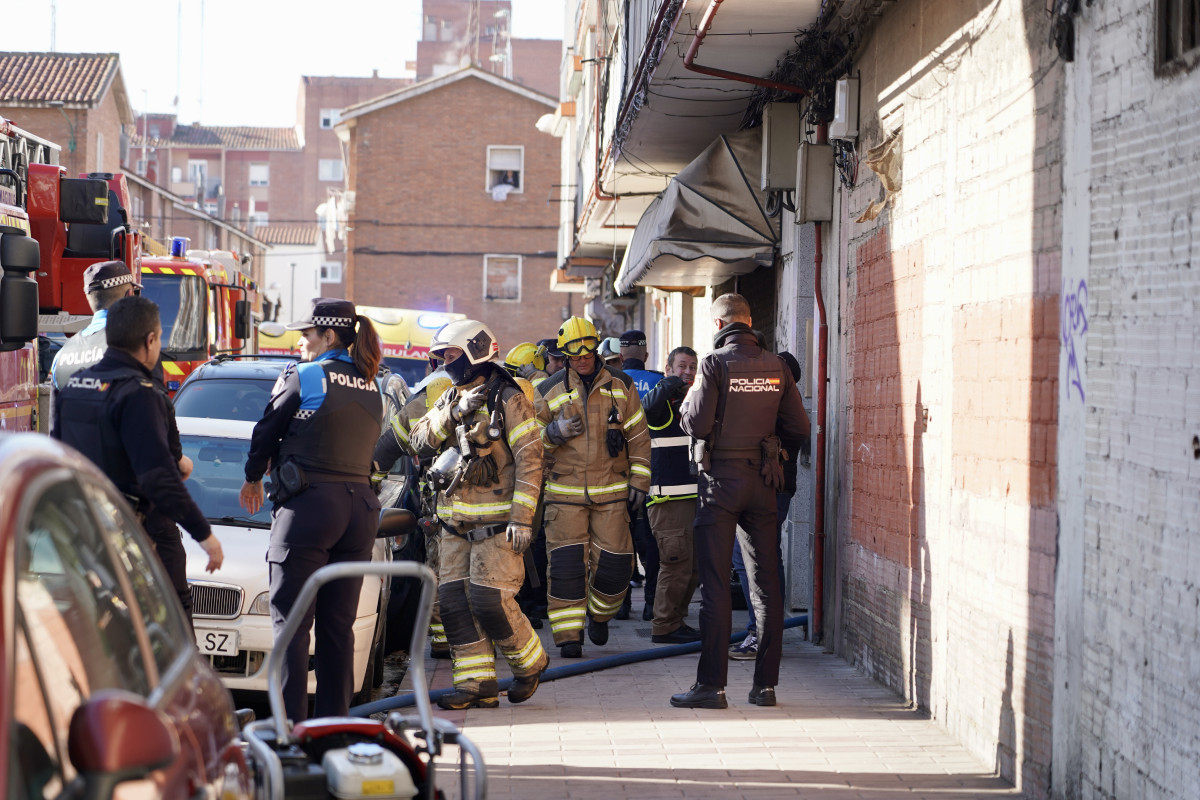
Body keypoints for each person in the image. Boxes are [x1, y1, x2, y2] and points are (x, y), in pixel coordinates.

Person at [238, 298, 384, 722]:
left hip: (310, 511)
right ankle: (336, 730)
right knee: (338, 629)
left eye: (307, 334)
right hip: (359, 513)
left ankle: (292, 735)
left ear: (329, 336)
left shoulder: (307, 375)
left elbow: (267, 429)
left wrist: (251, 478)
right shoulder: (371, 382)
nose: (301, 342)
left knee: (293, 627)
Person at [670, 294, 809, 709]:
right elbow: (798, 426)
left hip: (721, 483)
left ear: (718, 325)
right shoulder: (779, 365)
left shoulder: (714, 364)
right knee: (765, 584)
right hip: (763, 482)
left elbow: (694, 421)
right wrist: (774, 455)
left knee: (715, 585)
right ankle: (765, 687)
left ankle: (711, 687)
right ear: (749, 322)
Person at [51, 261, 202, 623]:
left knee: (98, 617)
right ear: (130, 294)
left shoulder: (64, 355)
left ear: (89, 299)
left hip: (86, 511)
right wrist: (178, 461)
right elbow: (162, 426)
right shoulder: (135, 343)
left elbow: (58, 438)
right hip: (141, 509)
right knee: (171, 611)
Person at [409, 320, 549, 709]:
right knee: (453, 604)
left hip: (498, 525)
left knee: (490, 601)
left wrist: (522, 518)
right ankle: (477, 684)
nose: (444, 363)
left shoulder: (510, 397)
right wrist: (452, 413)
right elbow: (418, 439)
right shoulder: (452, 396)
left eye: (451, 355)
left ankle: (530, 664)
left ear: (475, 352)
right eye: (441, 357)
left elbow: (531, 460)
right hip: (453, 523)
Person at [534, 316, 651, 658]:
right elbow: (527, 445)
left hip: (612, 494)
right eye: (575, 351)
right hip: (564, 497)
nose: (583, 356)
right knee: (567, 569)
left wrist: (640, 482)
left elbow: (640, 439)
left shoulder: (621, 385)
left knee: (617, 567)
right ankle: (569, 637)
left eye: (587, 348)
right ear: (566, 353)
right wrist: (552, 434)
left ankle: (599, 615)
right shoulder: (548, 390)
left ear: (596, 346)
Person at [373, 365, 454, 659]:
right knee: (448, 575)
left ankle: (447, 640)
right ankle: (448, 641)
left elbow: (386, 449)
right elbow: (386, 449)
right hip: (449, 511)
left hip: (452, 511)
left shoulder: (421, 405)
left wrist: (371, 486)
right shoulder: (428, 408)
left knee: (442, 573)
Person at [731, 351, 804, 660]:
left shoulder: (778, 406)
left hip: (768, 490)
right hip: (772, 489)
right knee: (766, 559)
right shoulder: (786, 405)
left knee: (752, 561)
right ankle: (766, 632)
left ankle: (759, 634)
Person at [642, 346, 702, 644]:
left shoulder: (691, 402)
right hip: (668, 503)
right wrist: (667, 385)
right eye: (681, 366)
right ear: (667, 369)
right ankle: (664, 626)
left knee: (693, 568)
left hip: (694, 500)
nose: (687, 372)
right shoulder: (661, 403)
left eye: (692, 367)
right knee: (676, 565)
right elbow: (646, 408)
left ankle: (675, 622)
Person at [617, 329, 663, 621]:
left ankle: (620, 605)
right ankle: (651, 605)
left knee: (619, 542)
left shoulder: (609, 383)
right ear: (646, 356)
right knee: (652, 543)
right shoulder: (661, 382)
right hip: (654, 475)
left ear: (621, 357)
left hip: (617, 476)